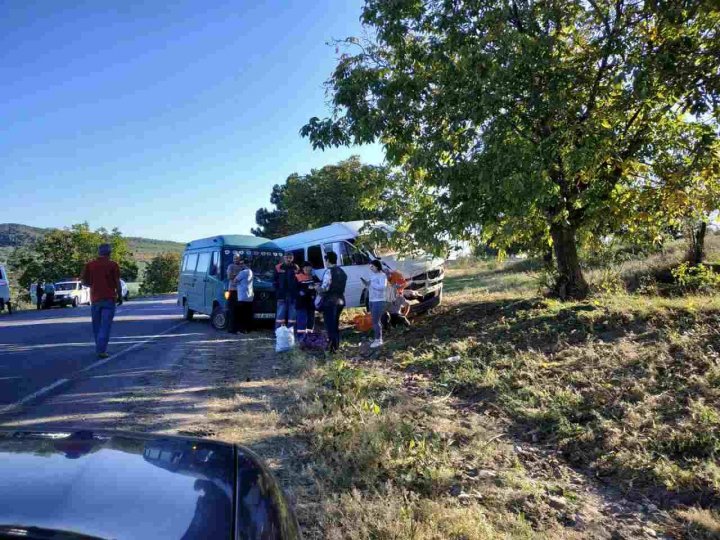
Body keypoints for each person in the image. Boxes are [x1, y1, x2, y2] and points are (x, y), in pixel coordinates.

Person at [81, 243, 122, 359]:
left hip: (95, 299)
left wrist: (93, 285)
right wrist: (120, 296)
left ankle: (99, 348)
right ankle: (101, 350)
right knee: (105, 325)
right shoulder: (113, 265)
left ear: (99, 252)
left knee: (97, 325)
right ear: (109, 253)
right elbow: (117, 282)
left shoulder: (90, 265)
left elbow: (83, 281)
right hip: (109, 298)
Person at [319, 251, 347, 353]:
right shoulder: (342, 272)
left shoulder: (329, 271)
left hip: (330, 301)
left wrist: (317, 288)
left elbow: (325, 287)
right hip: (341, 300)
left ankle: (332, 348)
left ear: (327, 260)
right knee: (335, 324)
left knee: (330, 325)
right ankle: (336, 346)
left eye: (325, 260)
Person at [273, 251, 299, 329]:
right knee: (280, 315)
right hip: (281, 294)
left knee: (292, 315)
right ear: (284, 258)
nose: (288, 259)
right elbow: (274, 281)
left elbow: (299, 281)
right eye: (287, 257)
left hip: (293, 295)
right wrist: (277, 291)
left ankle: (291, 331)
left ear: (293, 258)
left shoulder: (296, 267)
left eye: (290, 258)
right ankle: (278, 331)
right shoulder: (278, 267)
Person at [367, 260, 388, 348]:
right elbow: (371, 287)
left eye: (372, 266)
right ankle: (377, 337)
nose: (370, 268)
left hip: (379, 300)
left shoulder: (382, 275)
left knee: (375, 321)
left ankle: (378, 340)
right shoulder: (372, 275)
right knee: (375, 321)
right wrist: (367, 285)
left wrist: (373, 284)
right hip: (372, 300)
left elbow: (383, 287)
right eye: (370, 267)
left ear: (377, 266)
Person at [295, 262, 319, 337]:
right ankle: (301, 339)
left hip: (311, 303)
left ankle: (309, 338)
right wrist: (307, 289)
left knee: (311, 321)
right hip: (301, 303)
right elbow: (296, 291)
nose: (310, 270)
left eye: (311, 269)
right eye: (308, 268)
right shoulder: (297, 276)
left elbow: (319, 284)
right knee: (302, 322)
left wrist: (314, 276)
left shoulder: (312, 276)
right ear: (304, 268)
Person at [233, 258, 254, 334]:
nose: (241, 265)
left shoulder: (243, 272)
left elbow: (235, 280)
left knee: (241, 314)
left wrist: (235, 276)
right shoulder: (251, 271)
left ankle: (241, 330)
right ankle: (247, 329)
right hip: (249, 296)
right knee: (247, 314)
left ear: (246, 264)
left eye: (242, 264)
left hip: (242, 296)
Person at [226, 254, 243, 334]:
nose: (235, 259)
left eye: (237, 258)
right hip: (232, 290)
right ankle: (231, 329)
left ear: (240, 259)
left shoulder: (242, 267)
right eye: (234, 258)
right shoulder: (231, 266)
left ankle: (238, 329)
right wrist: (240, 275)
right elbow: (229, 276)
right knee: (232, 310)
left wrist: (236, 275)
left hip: (240, 291)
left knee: (239, 311)